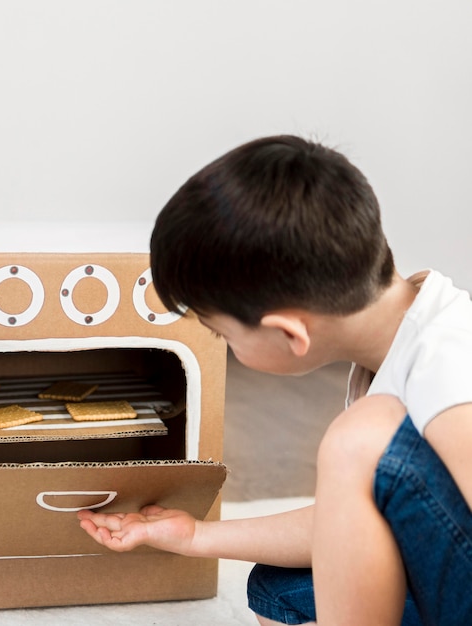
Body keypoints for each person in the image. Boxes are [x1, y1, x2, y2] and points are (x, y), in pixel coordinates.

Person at [78, 135, 472, 625]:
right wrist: (196, 537)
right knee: (282, 590)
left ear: (289, 333)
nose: (223, 346)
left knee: (361, 438)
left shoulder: (450, 365)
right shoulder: (393, 341)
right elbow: (347, 527)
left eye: (221, 334)